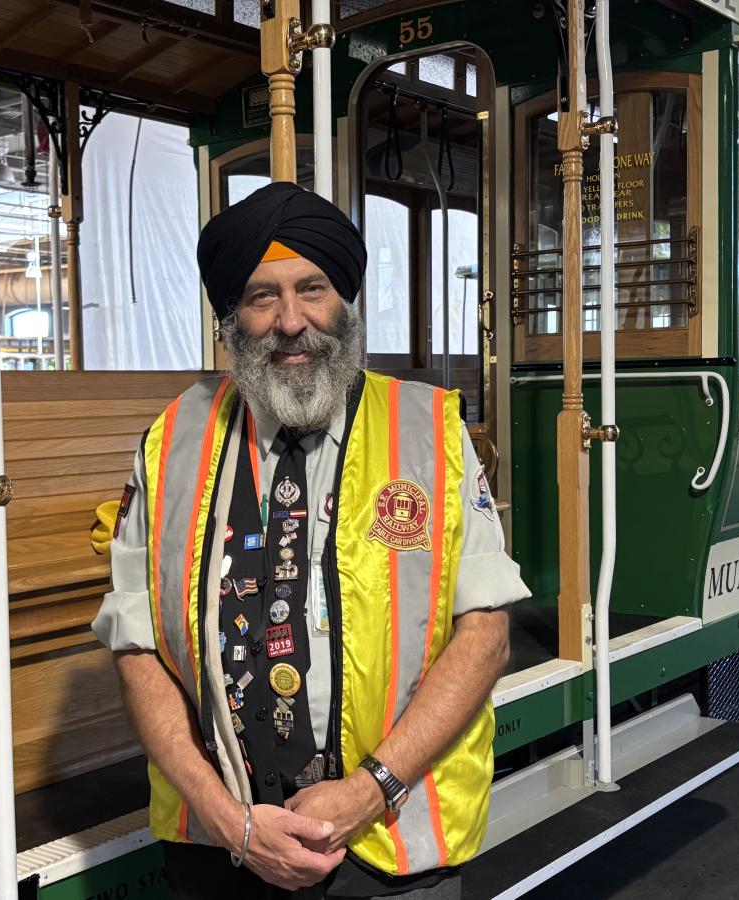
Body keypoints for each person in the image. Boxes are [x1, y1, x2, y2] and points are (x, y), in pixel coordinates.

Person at [92, 182, 530, 899]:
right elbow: (137, 648)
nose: (291, 321)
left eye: (312, 289)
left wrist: (368, 789)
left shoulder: (428, 431)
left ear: (345, 301)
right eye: (262, 296)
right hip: (221, 843)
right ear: (232, 315)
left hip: (385, 841)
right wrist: (226, 817)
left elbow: (484, 637)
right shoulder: (171, 439)